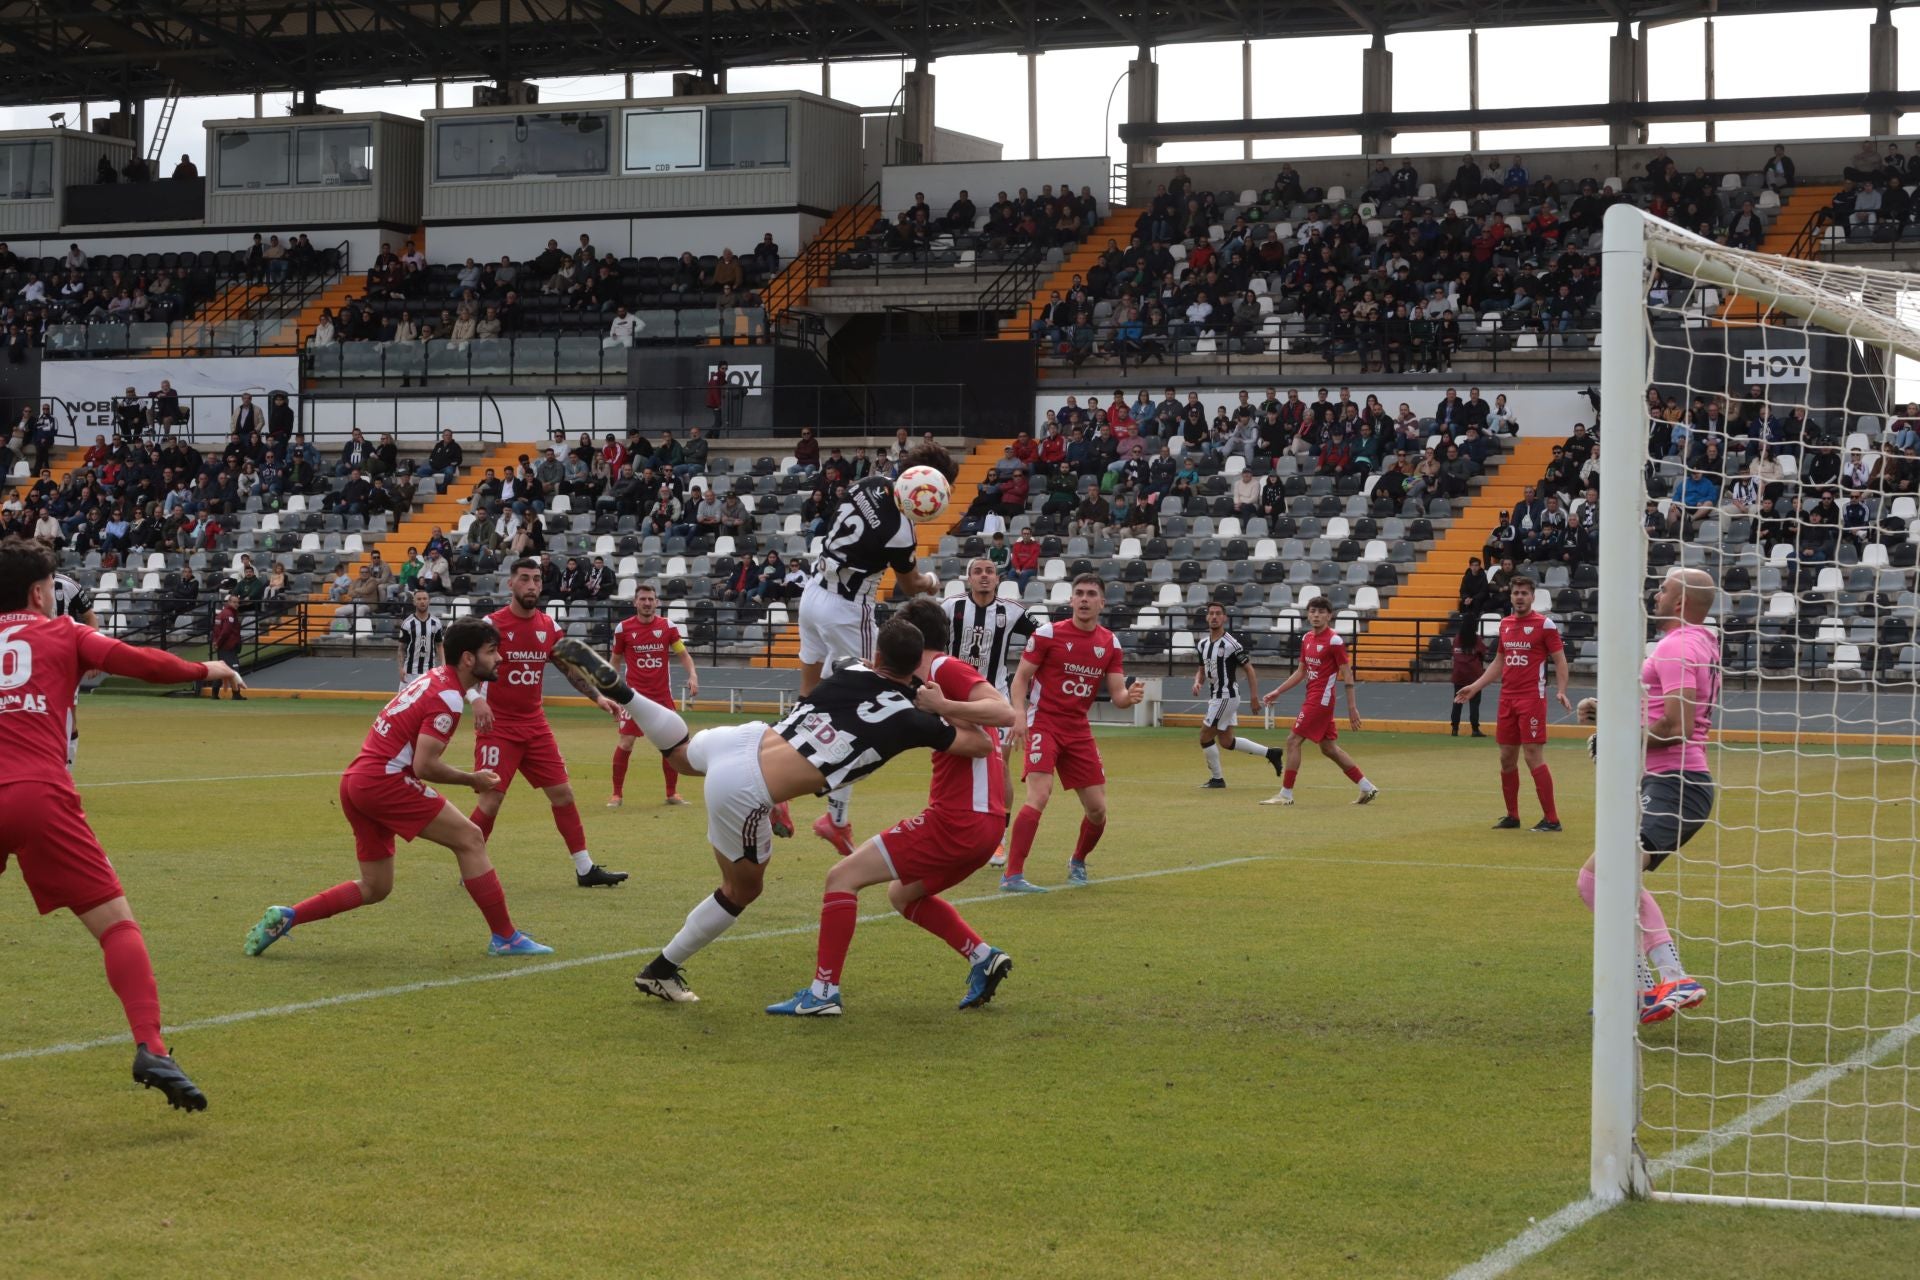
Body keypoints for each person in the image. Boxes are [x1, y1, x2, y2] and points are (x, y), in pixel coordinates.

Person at [544, 621, 993, 1005]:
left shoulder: (851, 667)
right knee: (741, 890)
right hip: (746, 787)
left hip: (746, 738)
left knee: (679, 755)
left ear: (876, 653)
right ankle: (660, 970)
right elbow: (981, 743)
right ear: (917, 666)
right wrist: (942, 705)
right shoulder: (914, 718)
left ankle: (630, 696)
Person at [0, 537, 242, 1111]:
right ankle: (152, 1047)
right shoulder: (63, 632)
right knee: (115, 925)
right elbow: (144, 664)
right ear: (41, 591)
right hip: (37, 791)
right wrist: (208, 668)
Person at [241, 617, 555, 960]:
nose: (499, 659)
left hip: (356, 781)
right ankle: (506, 937)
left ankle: (289, 916)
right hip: (384, 782)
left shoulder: (434, 678)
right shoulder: (448, 698)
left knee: (376, 887)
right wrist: (472, 779)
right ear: (468, 658)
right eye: (492, 652)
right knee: (471, 838)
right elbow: (424, 766)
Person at [766, 599, 1017, 1016]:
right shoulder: (921, 678)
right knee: (904, 895)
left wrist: (944, 707)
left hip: (959, 820)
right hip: (982, 826)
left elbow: (1004, 712)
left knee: (842, 877)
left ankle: (823, 993)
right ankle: (982, 956)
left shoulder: (943, 670)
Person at [798, 442, 956, 854]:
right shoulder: (902, 530)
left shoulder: (870, 482)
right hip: (847, 609)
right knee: (874, 706)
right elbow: (908, 586)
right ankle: (834, 818)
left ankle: (782, 794)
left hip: (812, 592)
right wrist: (931, 583)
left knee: (809, 697)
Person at [1576, 567, 1717, 1025]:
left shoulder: (1677, 645)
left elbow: (1675, 727)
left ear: (1679, 602)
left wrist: (1618, 739)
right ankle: (1656, 981)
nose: (1655, 593)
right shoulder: (1698, 642)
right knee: (1606, 879)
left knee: (1600, 879)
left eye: (1665, 588)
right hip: (1666, 783)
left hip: (1677, 785)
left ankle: (1654, 982)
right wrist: (1611, 714)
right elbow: (1659, 710)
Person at [469, 559, 630, 887]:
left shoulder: (548, 626)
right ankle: (469, 862)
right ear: (510, 584)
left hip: (535, 725)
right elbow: (462, 664)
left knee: (563, 795)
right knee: (491, 799)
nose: (532, 586)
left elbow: (568, 667)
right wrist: (476, 699)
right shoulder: (491, 625)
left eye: (537, 580)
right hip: (498, 727)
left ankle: (585, 869)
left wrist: (598, 697)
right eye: (525, 579)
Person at [1000, 574, 1146, 892]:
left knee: (1097, 809)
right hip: (1044, 723)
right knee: (1039, 794)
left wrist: (1129, 698)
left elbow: (1118, 696)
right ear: (1070, 601)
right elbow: (1021, 678)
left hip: (1078, 729)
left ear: (1101, 602)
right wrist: (1019, 714)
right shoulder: (1048, 634)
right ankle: (1012, 875)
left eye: (1091, 594)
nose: (1083, 599)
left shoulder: (1110, 643)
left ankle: (1077, 861)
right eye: (1078, 593)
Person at [1453, 574, 1572, 831]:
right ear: (1511, 596)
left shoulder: (1545, 625)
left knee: (1532, 755)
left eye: (1524, 593)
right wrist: (1475, 686)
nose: (1519, 597)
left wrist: (1561, 690)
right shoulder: (1505, 624)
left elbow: (1560, 660)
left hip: (1531, 698)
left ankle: (1552, 819)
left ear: (1532, 596)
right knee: (1506, 758)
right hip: (1507, 698)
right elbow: (1499, 662)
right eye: (1516, 593)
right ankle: (1512, 816)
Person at [945, 556, 1038, 866]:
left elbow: (1044, 640)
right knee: (953, 766)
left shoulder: (1012, 612)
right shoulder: (949, 608)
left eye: (989, 572)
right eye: (977, 572)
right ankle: (955, 831)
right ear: (968, 578)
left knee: (999, 766)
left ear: (998, 579)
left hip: (995, 699)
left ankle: (997, 838)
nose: (984, 577)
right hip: (955, 699)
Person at [1257, 597, 1380, 806]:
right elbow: (1301, 671)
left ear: (1329, 616)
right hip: (1314, 697)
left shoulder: (1334, 641)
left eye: (1321, 611)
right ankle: (1367, 787)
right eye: (1313, 611)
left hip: (1320, 701)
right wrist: (1278, 691)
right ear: (1308, 614)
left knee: (1292, 741)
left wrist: (1352, 708)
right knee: (1329, 748)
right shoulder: (1306, 638)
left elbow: (1347, 675)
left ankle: (1286, 794)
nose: (1316, 615)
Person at [608, 582, 698, 809]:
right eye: (643, 599)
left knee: (673, 747)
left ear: (657, 602)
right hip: (633, 698)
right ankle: (616, 794)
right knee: (626, 742)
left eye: (651, 599)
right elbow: (616, 659)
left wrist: (693, 675)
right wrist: (609, 688)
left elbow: (683, 654)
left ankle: (671, 793)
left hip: (661, 698)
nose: (647, 603)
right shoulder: (623, 629)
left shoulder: (667, 627)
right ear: (635, 602)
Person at [1192, 602, 1282, 789]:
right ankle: (1271, 753)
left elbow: (1249, 670)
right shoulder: (1202, 644)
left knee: (1204, 736)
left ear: (1224, 618)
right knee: (1226, 741)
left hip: (1226, 695)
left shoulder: (1231, 644)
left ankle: (1217, 779)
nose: (1214, 617)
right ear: (1207, 617)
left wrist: (1254, 698)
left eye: (1218, 613)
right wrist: (1198, 681)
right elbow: (1202, 668)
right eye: (1211, 613)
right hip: (1217, 696)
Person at [394, 590, 445, 691]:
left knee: (428, 704)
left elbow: (439, 645)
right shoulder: (407, 623)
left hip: (429, 671)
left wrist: (443, 665)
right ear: (414, 602)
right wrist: (401, 668)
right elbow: (401, 648)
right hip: (409, 671)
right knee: (403, 704)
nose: (422, 601)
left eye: (425, 599)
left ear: (429, 601)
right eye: (419, 599)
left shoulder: (436, 623)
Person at [1449, 616, 1488, 738]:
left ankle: (1455, 729)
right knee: (1475, 703)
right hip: (1474, 675)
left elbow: (1454, 653)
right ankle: (1475, 729)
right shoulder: (1476, 639)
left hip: (1459, 674)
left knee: (1457, 702)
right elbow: (1483, 653)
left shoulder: (1457, 639)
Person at [207, 592, 244, 700]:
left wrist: (215, 642)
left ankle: (214, 694)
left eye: (238, 602)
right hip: (228, 647)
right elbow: (226, 632)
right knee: (234, 670)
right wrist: (218, 643)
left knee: (222, 670)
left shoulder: (222, 614)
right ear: (229, 602)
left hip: (223, 647)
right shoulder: (229, 615)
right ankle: (236, 694)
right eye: (234, 602)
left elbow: (215, 630)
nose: (236, 604)